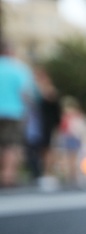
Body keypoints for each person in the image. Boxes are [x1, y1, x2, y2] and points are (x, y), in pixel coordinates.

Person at [0, 40, 35, 188]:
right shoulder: (19, 68)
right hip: (14, 112)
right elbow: (25, 94)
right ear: (11, 51)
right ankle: (7, 176)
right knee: (12, 145)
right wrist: (28, 110)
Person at [57, 97, 86, 188]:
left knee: (71, 159)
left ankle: (72, 176)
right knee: (71, 159)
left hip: (71, 138)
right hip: (72, 138)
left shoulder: (68, 117)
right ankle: (72, 176)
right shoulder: (74, 116)